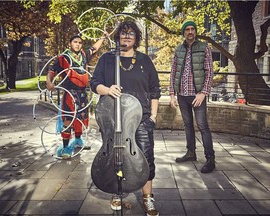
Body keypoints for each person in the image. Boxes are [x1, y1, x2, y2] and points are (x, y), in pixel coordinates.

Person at [90, 20, 160, 216]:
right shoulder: (107, 59)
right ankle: (117, 191)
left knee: (146, 158)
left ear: (136, 38)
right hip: (115, 118)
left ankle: (147, 198)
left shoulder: (145, 60)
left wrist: (153, 116)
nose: (127, 36)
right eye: (123, 33)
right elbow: (94, 82)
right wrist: (107, 89)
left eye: (131, 33)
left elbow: (155, 90)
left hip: (142, 118)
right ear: (118, 36)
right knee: (115, 156)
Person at [46, 32, 108, 159]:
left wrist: (103, 37)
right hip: (70, 93)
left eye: (80, 42)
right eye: (75, 42)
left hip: (82, 93)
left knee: (81, 117)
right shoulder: (63, 58)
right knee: (69, 119)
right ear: (70, 43)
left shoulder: (84, 55)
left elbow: (94, 48)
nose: (78, 44)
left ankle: (78, 141)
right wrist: (49, 82)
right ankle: (65, 148)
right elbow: (52, 71)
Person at [169, 20, 215, 173]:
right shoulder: (178, 50)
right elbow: (173, 72)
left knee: (203, 126)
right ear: (184, 32)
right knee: (187, 126)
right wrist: (171, 94)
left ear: (195, 32)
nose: (190, 31)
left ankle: (210, 159)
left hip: (197, 96)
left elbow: (209, 72)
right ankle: (191, 153)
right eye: (187, 29)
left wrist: (203, 93)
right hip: (182, 95)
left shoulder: (204, 48)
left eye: (192, 29)